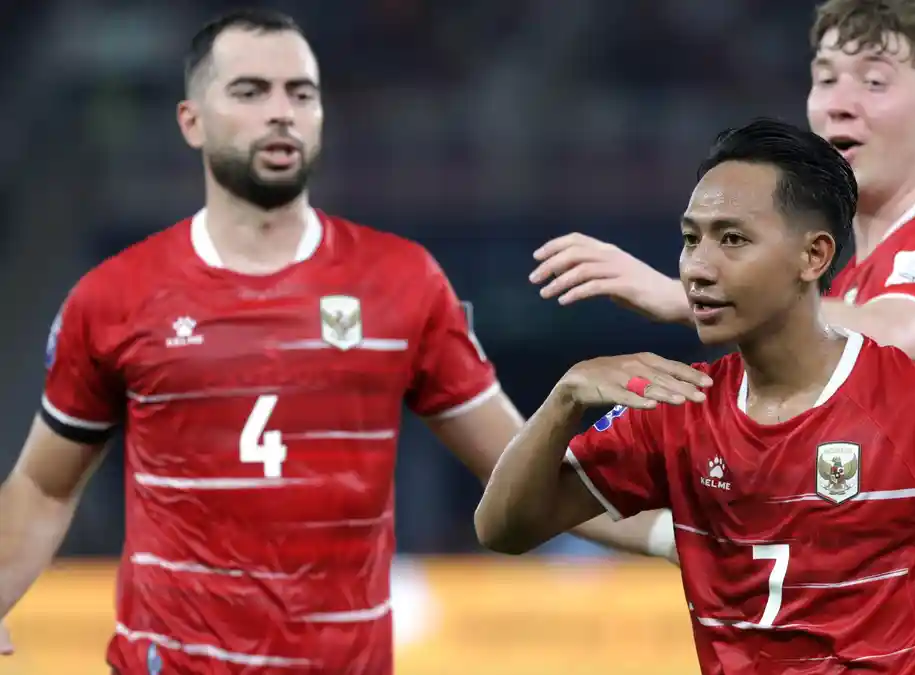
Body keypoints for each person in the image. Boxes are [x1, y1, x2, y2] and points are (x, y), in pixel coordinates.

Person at [0, 9, 674, 674]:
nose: (281, 113)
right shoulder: (114, 298)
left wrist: (674, 534)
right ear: (191, 121)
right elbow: (44, 485)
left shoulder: (402, 283)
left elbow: (519, 468)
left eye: (301, 93)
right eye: (250, 91)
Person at [478, 119, 915, 674]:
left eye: (732, 239)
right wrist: (565, 399)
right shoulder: (675, 410)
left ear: (813, 255)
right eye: (691, 239)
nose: (698, 267)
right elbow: (503, 528)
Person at [528, 1, 915, 670]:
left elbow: (899, 333)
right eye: (825, 77)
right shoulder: (848, 278)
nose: (839, 103)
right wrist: (681, 534)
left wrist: (680, 295)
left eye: (874, 81)